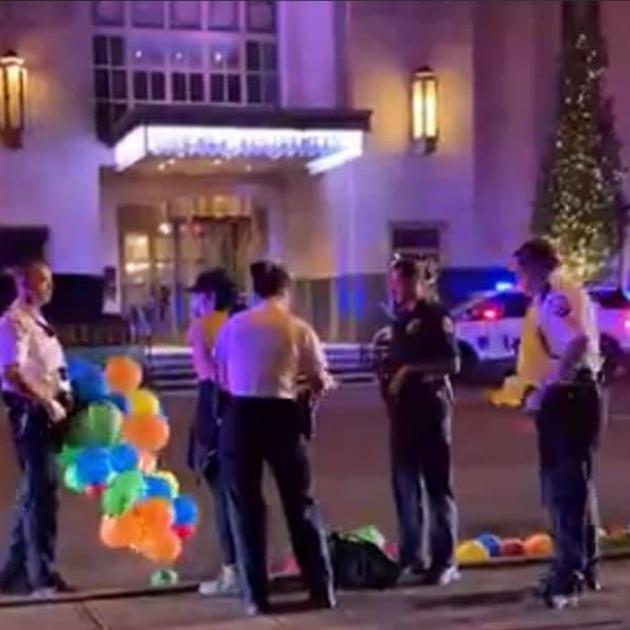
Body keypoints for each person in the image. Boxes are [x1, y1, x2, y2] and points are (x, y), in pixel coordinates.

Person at [214, 260, 335, 616]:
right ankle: (320, 587)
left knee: (246, 508)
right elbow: (318, 378)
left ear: (255, 291)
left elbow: (222, 375)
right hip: (282, 416)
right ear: (286, 291)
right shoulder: (298, 328)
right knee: (300, 504)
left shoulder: (233, 326)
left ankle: (256, 596)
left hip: (240, 416)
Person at [515, 238, 602, 610]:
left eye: (519, 269)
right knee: (572, 485)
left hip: (569, 398)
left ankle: (570, 574)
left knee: (565, 489)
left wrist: (551, 383)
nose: (517, 276)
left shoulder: (556, 293)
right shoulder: (547, 295)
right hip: (564, 397)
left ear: (535, 266)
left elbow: (577, 340)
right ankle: (581, 567)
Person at [379, 256, 460, 586]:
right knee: (405, 487)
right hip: (402, 416)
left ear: (418, 282)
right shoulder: (401, 318)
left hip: (430, 411)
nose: (395, 290)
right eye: (393, 284)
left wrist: (410, 371)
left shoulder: (435, 316)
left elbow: (452, 363)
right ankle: (413, 555)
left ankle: (446, 560)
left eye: (401, 284)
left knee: (437, 487)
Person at [0, 260, 72, 596]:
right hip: (31, 416)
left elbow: (49, 367)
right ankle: (40, 576)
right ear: (24, 285)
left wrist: (65, 394)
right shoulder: (13, 322)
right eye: (42, 281)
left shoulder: (38, 321)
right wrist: (46, 402)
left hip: (49, 414)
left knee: (34, 493)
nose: (49, 286)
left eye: (50, 280)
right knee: (41, 495)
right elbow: (11, 374)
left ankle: (13, 572)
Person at [186, 269, 240, 597]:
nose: (194, 302)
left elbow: (209, 378)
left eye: (197, 295)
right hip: (242, 410)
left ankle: (231, 570)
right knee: (240, 495)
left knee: (222, 495)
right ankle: (245, 565)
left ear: (207, 297)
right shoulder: (238, 324)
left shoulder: (201, 327)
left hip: (215, 409)